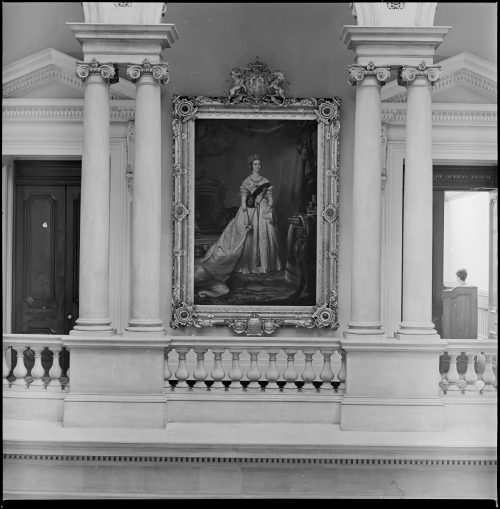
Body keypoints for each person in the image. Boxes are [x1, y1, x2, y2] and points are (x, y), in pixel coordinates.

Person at [194, 154, 282, 298]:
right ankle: (248, 266)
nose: (257, 166)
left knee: (267, 232)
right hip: (248, 210)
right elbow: (243, 203)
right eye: (255, 164)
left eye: (259, 164)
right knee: (244, 236)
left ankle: (263, 266)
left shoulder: (266, 181)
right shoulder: (246, 182)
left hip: (263, 210)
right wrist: (247, 219)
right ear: (251, 166)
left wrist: (265, 204)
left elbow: (270, 200)